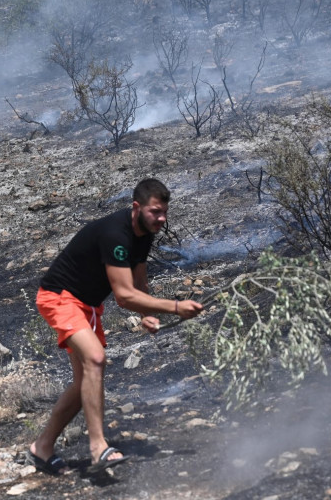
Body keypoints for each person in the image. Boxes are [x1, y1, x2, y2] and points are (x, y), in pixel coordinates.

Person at [28, 178, 203, 475]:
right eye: (155, 212)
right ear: (137, 207)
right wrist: (175, 307)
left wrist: (148, 310)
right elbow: (123, 296)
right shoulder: (115, 234)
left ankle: (41, 448)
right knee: (96, 359)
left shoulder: (144, 234)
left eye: (164, 213)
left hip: (88, 306)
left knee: (84, 380)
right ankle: (98, 448)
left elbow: (138, 282)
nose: (161, 219)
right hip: (60, 298)